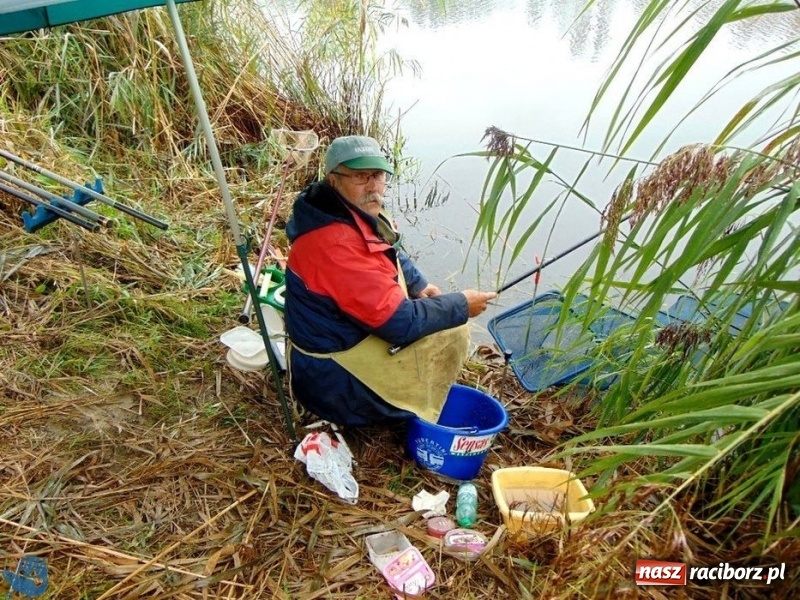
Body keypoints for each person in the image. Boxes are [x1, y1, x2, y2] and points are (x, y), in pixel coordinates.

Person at [284, 135, 496, 427]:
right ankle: (408, 409)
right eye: (360, 176)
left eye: (378, 175)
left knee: (440, 319)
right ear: (334, 180)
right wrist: (461, 304)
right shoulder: (335, 244)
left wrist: (419, 285)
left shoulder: (345, 210)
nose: (373, 186)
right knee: (454, 331)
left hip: (340, 347)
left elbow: (389, 249)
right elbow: (399, 323)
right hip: (332, 383)